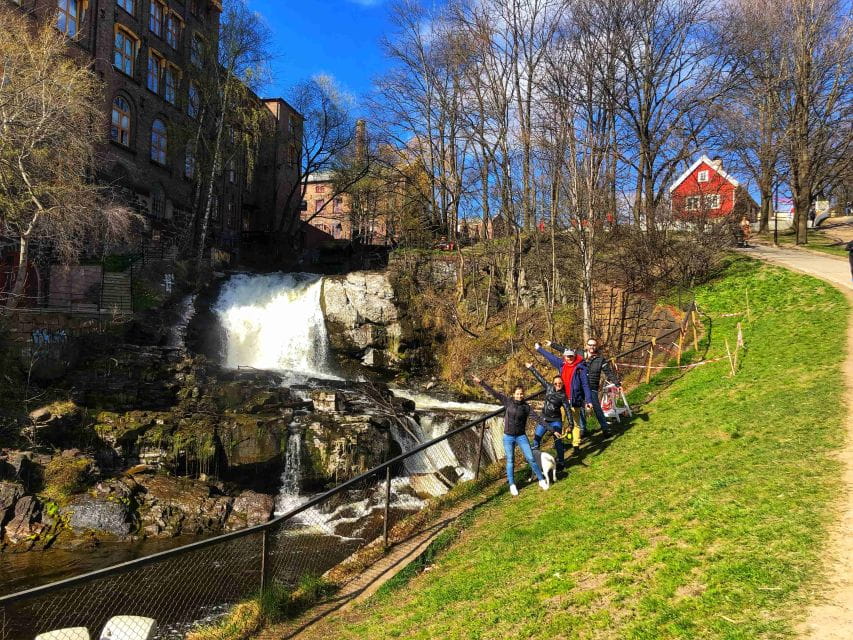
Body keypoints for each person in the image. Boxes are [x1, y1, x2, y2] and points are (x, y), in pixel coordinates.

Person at [472, 375, 549, 495]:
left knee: (531, 458)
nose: (520, 395)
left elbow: (537, 418)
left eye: (521, 394)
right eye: (517, 393)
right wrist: (481, 382)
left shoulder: (526, 407)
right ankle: (512, 484)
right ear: (514, 394)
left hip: (521, 436)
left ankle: (541, 479)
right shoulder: (507, 401)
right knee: (510, 460)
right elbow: (494, 393)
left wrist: (551, 429)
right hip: (508, 437)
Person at [534, 341, 593, 452]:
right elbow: (550, 357)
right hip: (561, 399)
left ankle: (576, 445)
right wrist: (539, 349)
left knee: (575, 423)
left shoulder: (581, 368)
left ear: (574, 356)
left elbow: (585, 385)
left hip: (575, 400)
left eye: (571, 356)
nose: (569, 358)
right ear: (564, 357)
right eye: (567, 356)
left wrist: (588, 400)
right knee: (560, 422)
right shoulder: (562, 364)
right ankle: (559, 442)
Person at [523, 362, 573, 471]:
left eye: (560, 383)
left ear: (562, 384)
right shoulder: (549, 387)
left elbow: (568, 410)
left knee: (558, 441)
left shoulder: (563, 396)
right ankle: (535, 462)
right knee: (536, 439)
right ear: (553, 383)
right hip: (544, 419)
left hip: (555, 421)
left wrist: (571, 424)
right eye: (556, 383)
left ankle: (561, 462)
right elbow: (540, 378)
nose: (558, 385)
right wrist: (531, 368)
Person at [582, 338, 621, 436]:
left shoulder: (600, 360)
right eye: (590, 345)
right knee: (579, 409)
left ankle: (605, 429)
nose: (592, 347)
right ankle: (583, 430)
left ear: (596, 346)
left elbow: (608, 372)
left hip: (592, 387)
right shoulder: (579, 355)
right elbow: (566, 350)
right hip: (580, 386)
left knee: (597, 408)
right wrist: (552, 344)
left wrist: (617, 384)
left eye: (594, 345)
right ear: (586, 345)